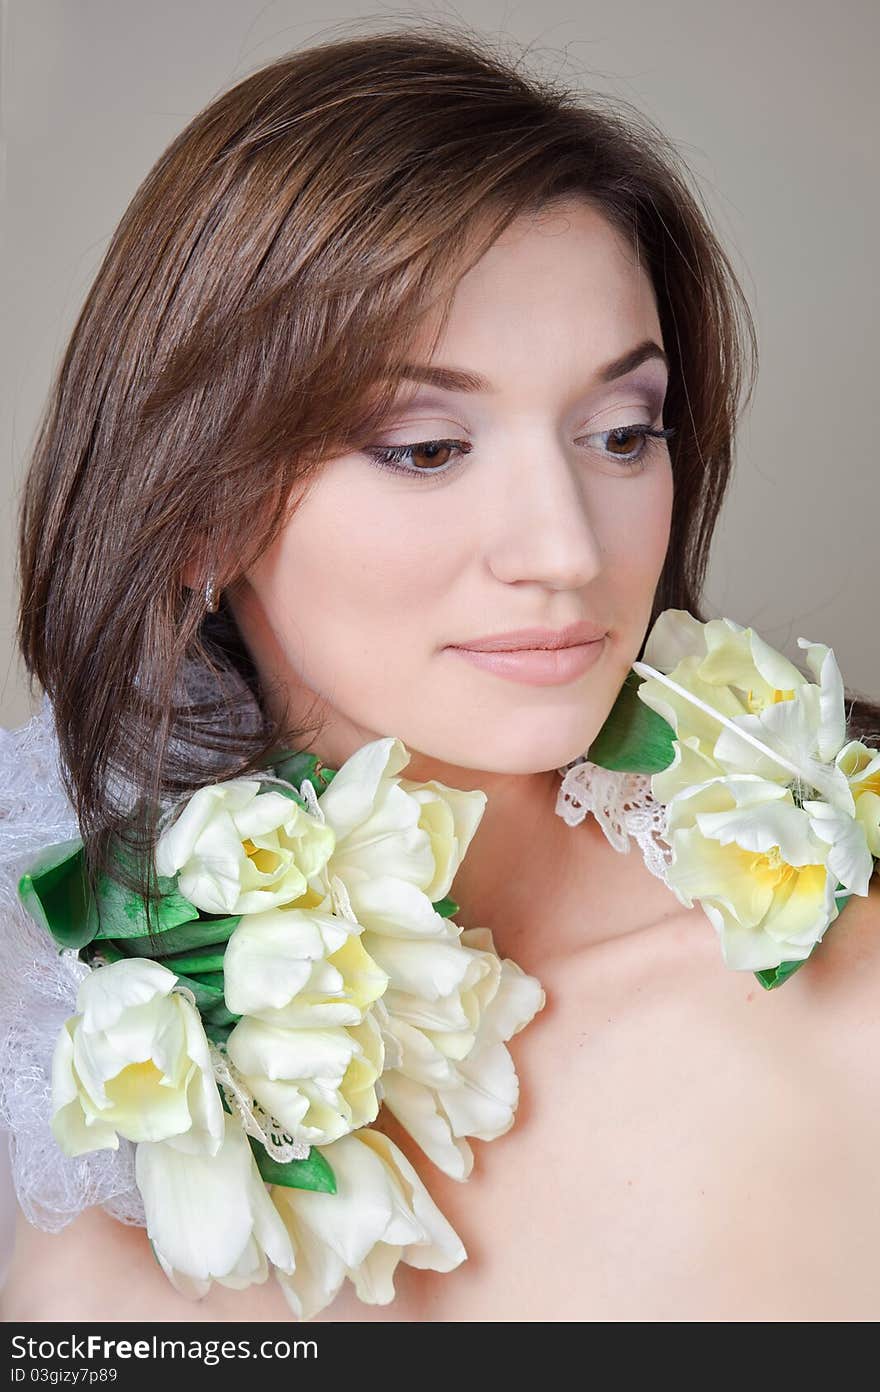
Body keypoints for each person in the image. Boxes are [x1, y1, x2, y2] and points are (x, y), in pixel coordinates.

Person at [3, 22, 880, 1323]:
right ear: (197, 514)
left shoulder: (844, 983)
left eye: (624, 432)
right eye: (424, 447)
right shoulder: (112, 1172)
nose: (565, 550)